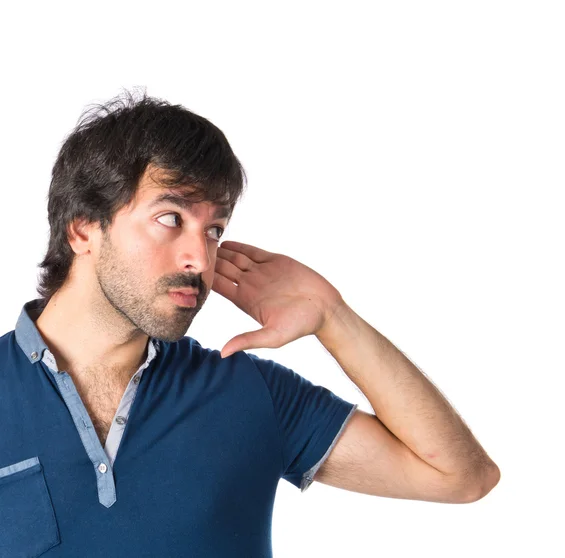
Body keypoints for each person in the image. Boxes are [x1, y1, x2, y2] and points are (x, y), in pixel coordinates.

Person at [0, 89, 500, 558]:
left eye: (214, 229)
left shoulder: (246, 388)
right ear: (84, 229)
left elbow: (461, 477)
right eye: (171, 218)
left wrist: (333, 318)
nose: (199, 256)